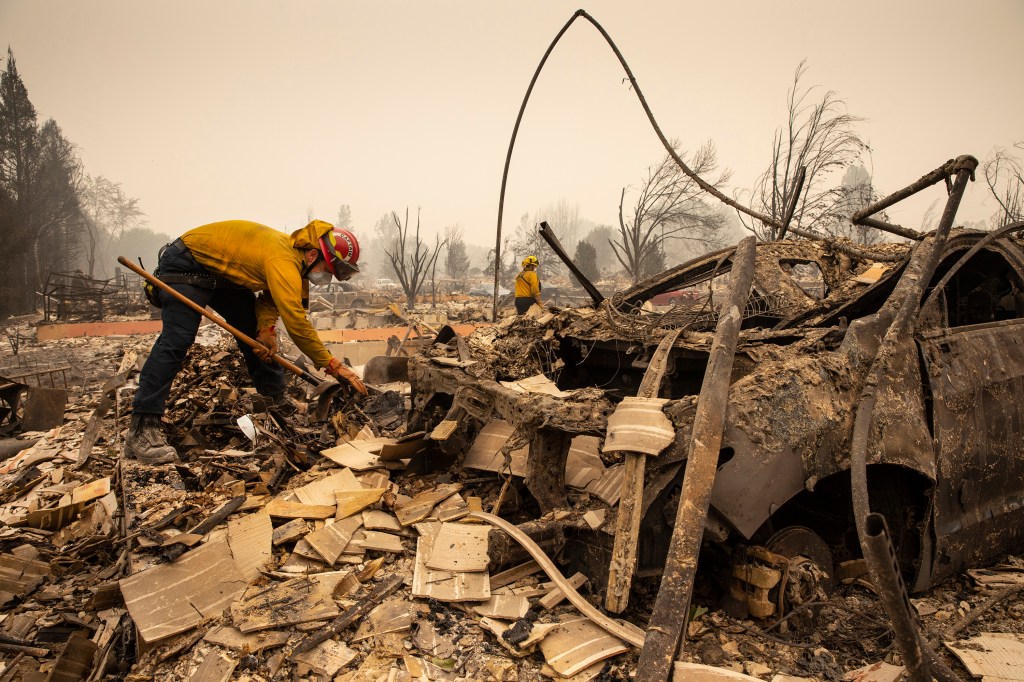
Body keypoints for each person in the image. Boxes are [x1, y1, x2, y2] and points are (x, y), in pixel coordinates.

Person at [125, 219, 368, 465]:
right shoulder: (282, 260)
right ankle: (142, 428)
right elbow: (296, 323)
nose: (327, 276)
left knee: (252, 334)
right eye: (328, 269)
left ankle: (276, 400)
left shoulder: (296, 263)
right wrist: (334, 366)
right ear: (313, 253)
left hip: (220, 274)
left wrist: (266, 330)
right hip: (187, 262)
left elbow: (271, 298)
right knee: (177, 340)